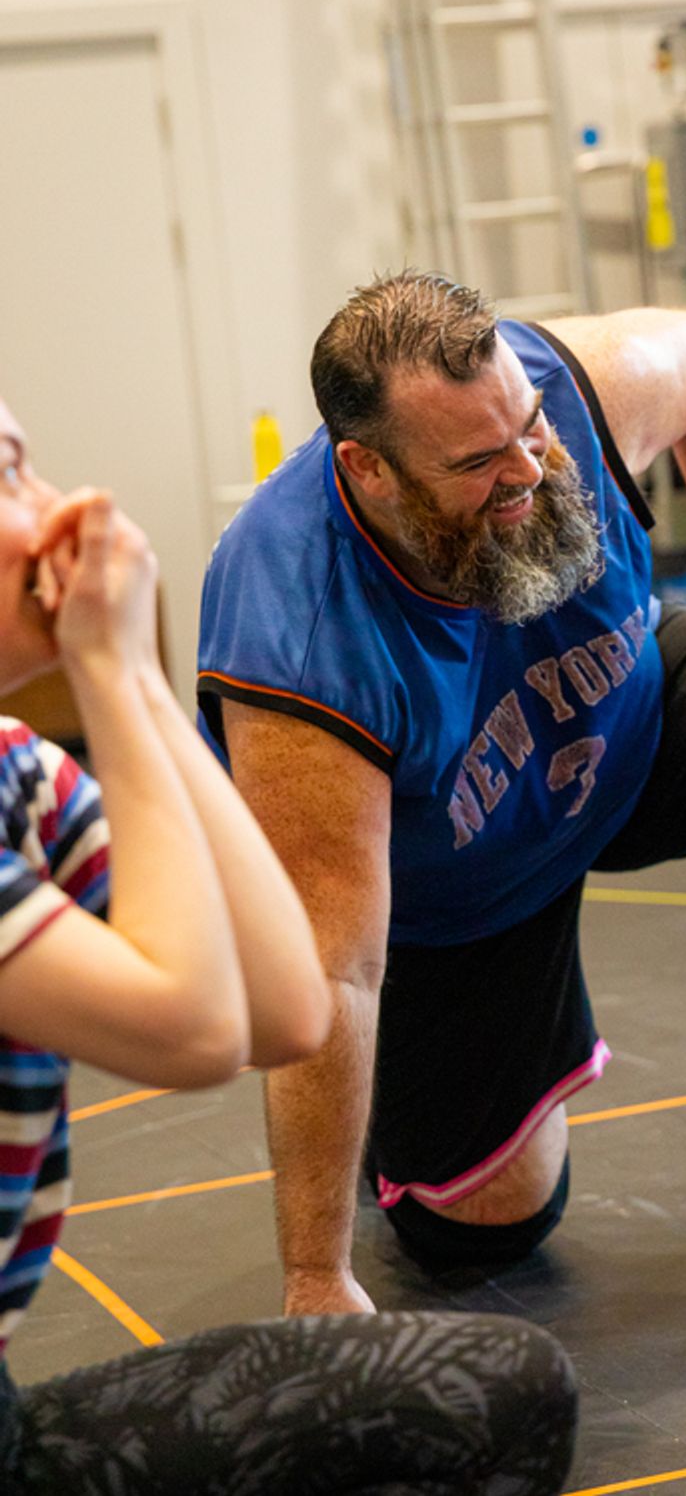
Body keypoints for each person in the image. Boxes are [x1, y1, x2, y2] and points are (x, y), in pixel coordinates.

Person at [194, 270, 686, 1313]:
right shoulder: (297, 628)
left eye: (528, 428)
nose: (525, 469)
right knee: (484, 1232)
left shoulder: (568, 386)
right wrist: (314, 1274)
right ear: (367, 469)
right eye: (477, 462)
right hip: (452, 901)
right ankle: (404, 1122)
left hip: (618, 739)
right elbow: (332, 971)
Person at [0, 396, 577, 1492]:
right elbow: (194, 1030)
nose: (58, 505)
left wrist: (143, 687)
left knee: (497, 1392)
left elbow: (282, 1004)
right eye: (8, 474)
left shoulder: (15, 769)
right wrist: (111, 674)